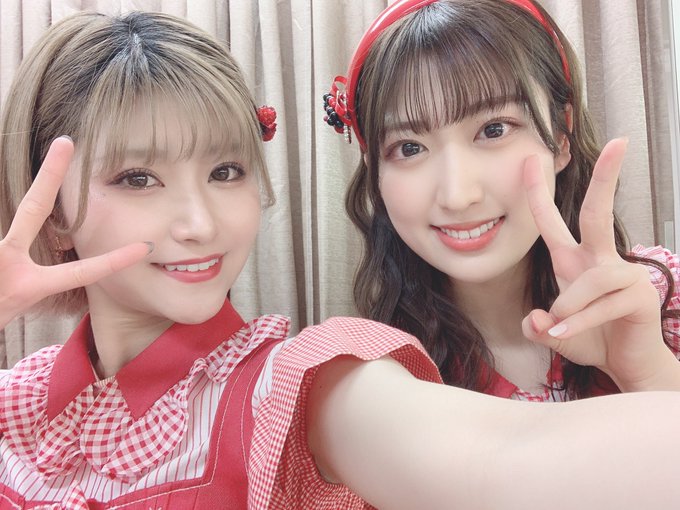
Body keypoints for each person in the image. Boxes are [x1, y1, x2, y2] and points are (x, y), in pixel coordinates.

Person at [2, 8, 680, 510]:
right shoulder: (14, 399)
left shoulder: (303, 388)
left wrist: (647, 369)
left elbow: (504, 461)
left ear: (561, 136)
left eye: (226, 171)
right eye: (138, 178)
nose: (200, 225)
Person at [324, 0, 680, 401]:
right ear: (374, 171)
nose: (458, 196)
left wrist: (649, 373)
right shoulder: (371, 378)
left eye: (494, 129)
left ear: (561, 135)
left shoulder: (661, 299)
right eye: (409, 147)